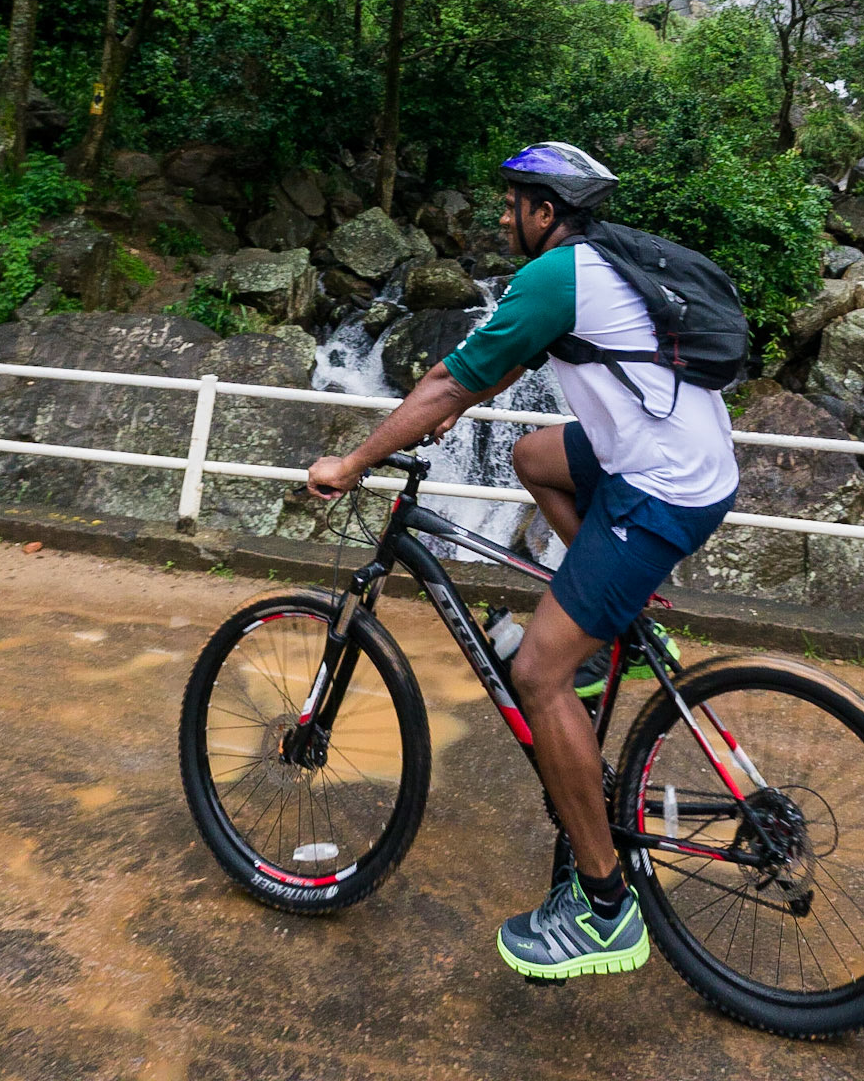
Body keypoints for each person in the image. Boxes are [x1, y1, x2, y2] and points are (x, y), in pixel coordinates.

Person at [308, 141, 739, 981]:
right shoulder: (597, 262)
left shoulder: (553, 276)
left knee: (539, 672)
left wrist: (352, 462)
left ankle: (604, 909)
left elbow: (450, 376)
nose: (503, 218)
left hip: (660, 484)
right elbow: (504, 365)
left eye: (512, 205)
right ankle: (612, 631)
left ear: (547, 212)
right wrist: (458, 402)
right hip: (674, 458)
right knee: (535, 458)